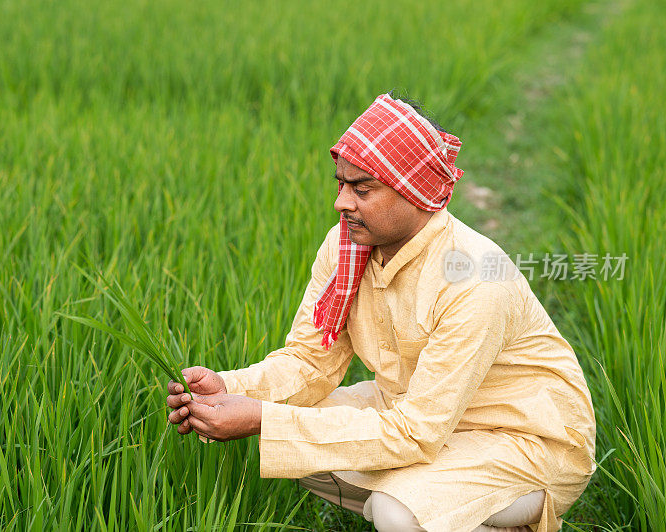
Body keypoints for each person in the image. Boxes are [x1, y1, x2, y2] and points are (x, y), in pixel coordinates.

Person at [165, 93, 596, 531]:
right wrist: (230, 387)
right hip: (421, 414)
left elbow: (417, 431)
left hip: (525, 440)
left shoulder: (474, 279)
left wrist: (262, 417)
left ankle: (435, 509)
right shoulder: (345, 248)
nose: (342, 203)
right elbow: (310, 360)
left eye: (362, 189)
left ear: (414, 193)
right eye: (341, 184)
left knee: (393, 511)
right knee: (291, 448)